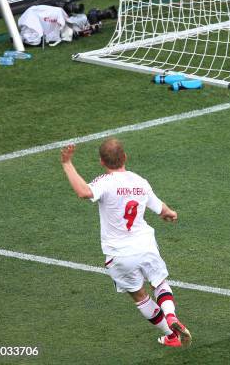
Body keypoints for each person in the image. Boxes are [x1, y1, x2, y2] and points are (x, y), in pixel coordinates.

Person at [60, 138, 192, 347]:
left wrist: (67, 164)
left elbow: (84, 192)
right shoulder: (140, 181)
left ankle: (171, 335)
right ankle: (171, 315)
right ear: (125, 158)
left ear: (102, 162)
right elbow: (163, 209)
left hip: (119, 254)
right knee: (159, 283)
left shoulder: (105, 182)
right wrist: (170, 214)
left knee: (139, 295)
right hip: (146, 246)